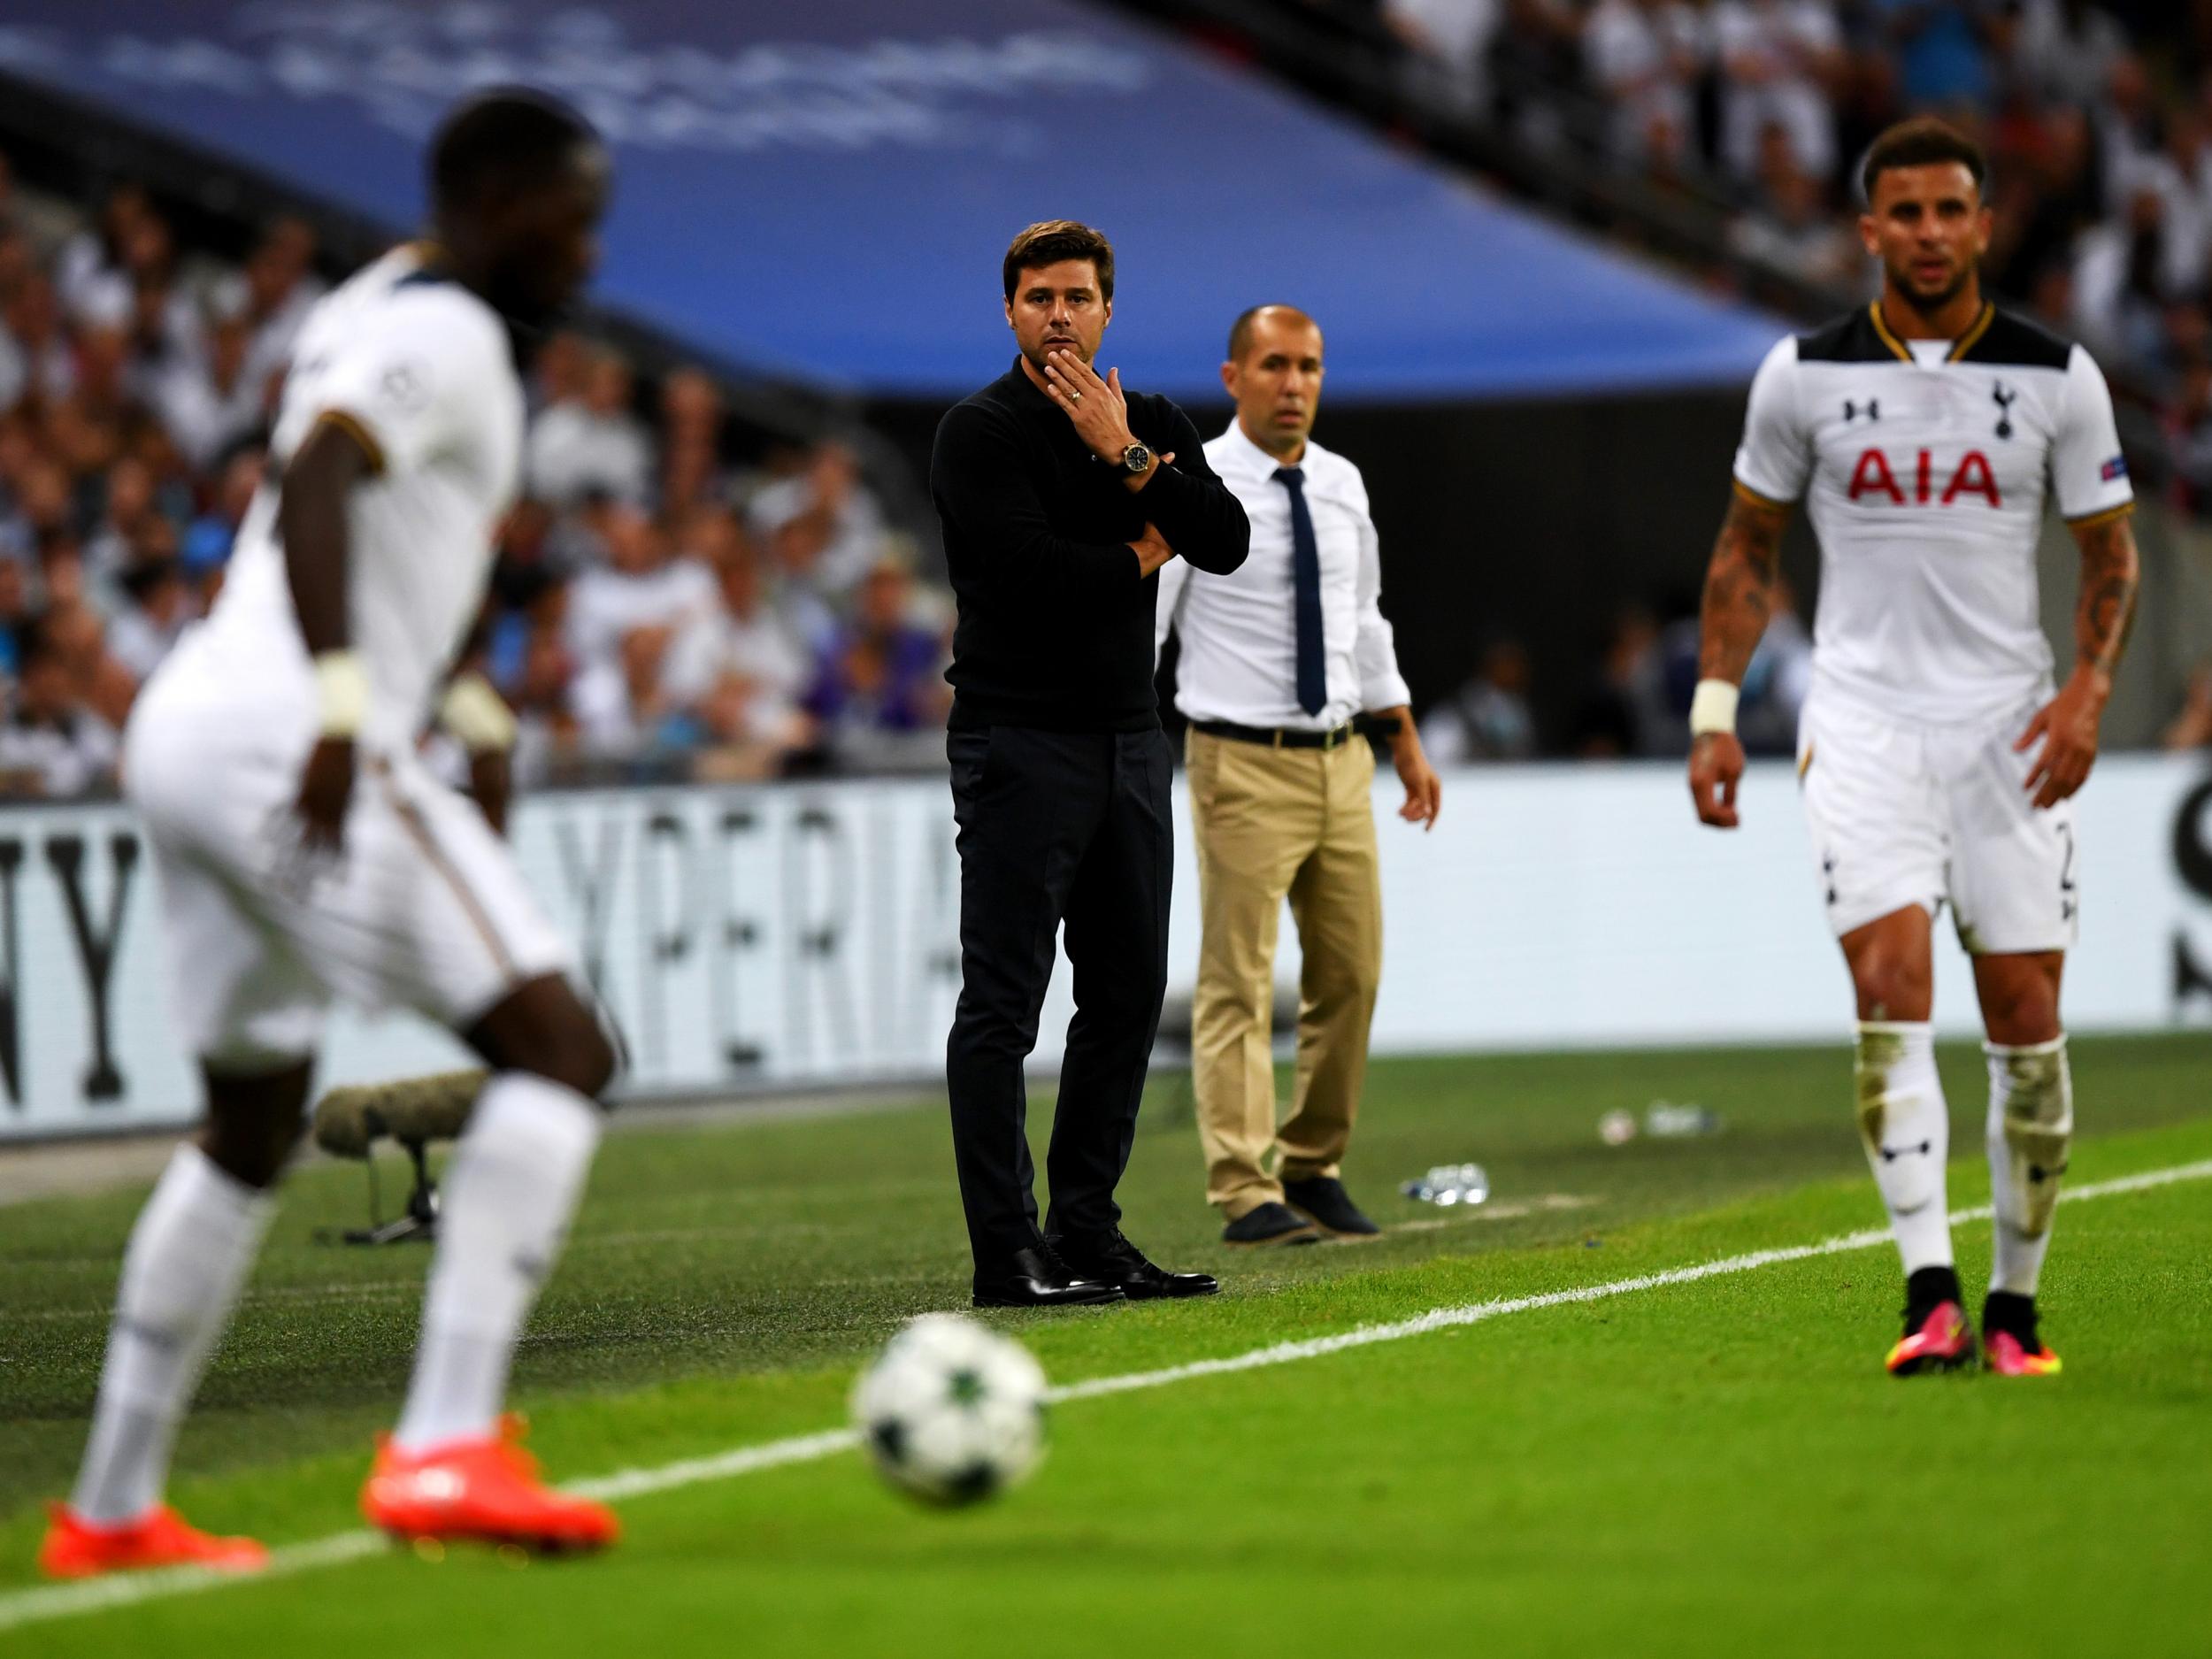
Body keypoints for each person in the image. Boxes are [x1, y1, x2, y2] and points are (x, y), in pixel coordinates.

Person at [39, 88, 625, 1582]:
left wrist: (457, 707)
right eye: (572, 218)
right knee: (561, 1052)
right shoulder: (448, 335)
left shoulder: (376, 302)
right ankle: (444, 1442)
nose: (588, 253)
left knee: (248, 1125)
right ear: (495, 204)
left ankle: (108, 1510)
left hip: (187, 728)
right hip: (284, 735)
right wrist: (349, 704)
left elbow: (376, 535)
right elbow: (316, 477)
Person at [1689, 118, 2139, 1380]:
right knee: (1890, 992)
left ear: (1985, 224)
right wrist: (1715, 711)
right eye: (1907, 213)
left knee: (2027, 1020)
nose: (1930, 234)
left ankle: (2017, 1305)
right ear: (1869, 228)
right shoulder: (1802, 375)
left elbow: (2111, 553)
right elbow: (1746, 547)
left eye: (1952, 211)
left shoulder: (2060, 376)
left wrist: (2091, 691)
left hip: (2010, 729)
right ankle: (1929, 1289)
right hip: (1865, 723)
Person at [930, 219, 1249, 1308]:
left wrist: (1127, 457)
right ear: (1009, 312)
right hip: (1018, 739)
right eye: (1038, 299)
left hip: (1127, 739)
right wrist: (1140, 540)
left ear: (1109, 309)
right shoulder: (980, 434)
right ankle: (1006, 1252)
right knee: (1004, 1004)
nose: (1058, 315)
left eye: (1076, 297)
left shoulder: (1147, 423)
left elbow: (1225, 539)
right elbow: (1029, 580)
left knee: (1123, 997)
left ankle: (1087, 1233)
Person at [1156, 305, 1440, 1246]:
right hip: (1238, 759)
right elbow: (1150, 622)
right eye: (1274, 365)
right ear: (1232, 376)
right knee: (1236, 980)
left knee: (1351, 975)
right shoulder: (1190, 480)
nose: (1294, 384)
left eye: (1309, 366)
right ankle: (1244, 1186)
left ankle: (1312, 1164)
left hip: (1338, 758)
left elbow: (1362, 620)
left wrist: (1398, 732)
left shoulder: (1341, 482)